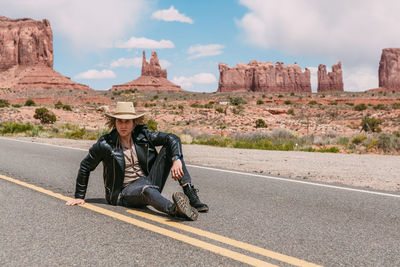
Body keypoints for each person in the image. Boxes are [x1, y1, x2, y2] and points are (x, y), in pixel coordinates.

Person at [66, 102, 208, 221]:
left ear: (134, 123)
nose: (123, 125)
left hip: (148, 180)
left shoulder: (142, 136)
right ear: (114, 122)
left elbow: (172, 138)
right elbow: (85, 166)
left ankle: (190, 195)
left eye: (127, 121)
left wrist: (176, 158)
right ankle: (174, 209)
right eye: (119, 121)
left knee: (171, 150)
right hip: (124, 192)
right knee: (147, 190)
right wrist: (79, 197)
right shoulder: (105, 144)